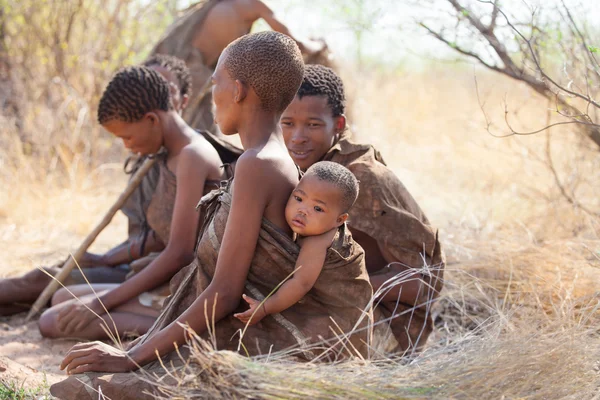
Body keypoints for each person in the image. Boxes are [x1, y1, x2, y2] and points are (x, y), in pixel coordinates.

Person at [53, 34, 385, 396]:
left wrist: (130, 357)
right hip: (228, 325)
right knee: (79, 377)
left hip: (250, 338)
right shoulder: (263, 158)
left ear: (239, 90)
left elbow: (225, 294)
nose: (213, 95)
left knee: (81, 388)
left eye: (216, 83)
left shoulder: (258, 164)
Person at [0, 55, 199, 317]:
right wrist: (104, 258)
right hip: (133, 266)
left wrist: (106, 264)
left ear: (182, 101)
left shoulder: (188, 157)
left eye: (165, 88)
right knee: (48, 280)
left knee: (53, 289)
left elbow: (171, 244)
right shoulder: (149, 154)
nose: (154, 94)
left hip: (154, 275)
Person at [37, 65, 226, 340]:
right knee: (62, 298)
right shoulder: (171, 153)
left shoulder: (191, 156)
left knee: (53, 321)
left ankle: (183, 333)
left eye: (127, 136)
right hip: (166, 281)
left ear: (152, 119)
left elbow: (180, 254)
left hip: (188, 287)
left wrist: (99, 303)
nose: (127, 146)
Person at [280, 64, 445, 353]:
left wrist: (340, 285)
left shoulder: (363, 178)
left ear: (339, 125)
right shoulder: (294, 170)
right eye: (288, 123)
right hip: (328, 304)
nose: (298, 137)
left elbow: (423, 285)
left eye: (313, 124)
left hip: (388, 325)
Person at [151, 0, 327, 133]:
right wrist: (320, 45)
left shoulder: (224, 5)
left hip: (186, 69)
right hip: (191, 69)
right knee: (202, 130)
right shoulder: (253, 4)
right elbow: (296, 43)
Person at [234, 161, 359, 325]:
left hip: (341, 320)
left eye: (318, 209)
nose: (303, 210)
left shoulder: (317, 242)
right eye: (299, 198)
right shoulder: (316, 228)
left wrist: (265, 308)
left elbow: (301, 283)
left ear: (339, 220)